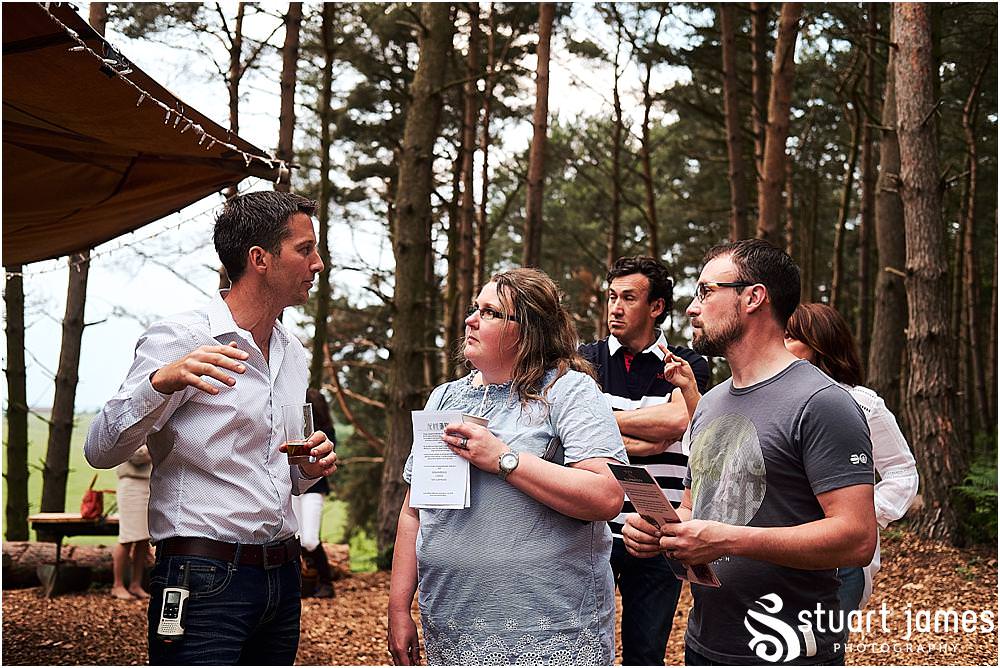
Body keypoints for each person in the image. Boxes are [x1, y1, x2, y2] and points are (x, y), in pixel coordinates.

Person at [84, 191, 339, 665]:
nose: (318, 263)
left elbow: (287, 473)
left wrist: (309, 465)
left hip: (282, 578)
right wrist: (160, 382)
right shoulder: (181, 338)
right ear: (259, 259)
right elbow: (100, 450)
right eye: (305, 249)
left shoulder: (293, 352)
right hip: (200, 578)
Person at [623, 239, 877, 665]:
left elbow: (857, 538)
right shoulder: (710, 403)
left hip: (790, 647)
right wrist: (659, 529)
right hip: (706, 643)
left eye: (706, 292)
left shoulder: (822, 402)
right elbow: (695, 507)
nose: (691, 307)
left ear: (753, 297)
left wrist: (729, 540)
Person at [387, 268, 628, 666]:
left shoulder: (569, 390)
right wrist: (399, 609)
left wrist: (503, 459)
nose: (471, 319)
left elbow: (605, 496)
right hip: (451, 626)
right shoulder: (444, 398)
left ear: (529, 330)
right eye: (474, 308)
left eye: (491, 312)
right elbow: (414, 512)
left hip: (547, 630)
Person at [578, 256, 710, 666]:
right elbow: (573, 435)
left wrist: (603, 427)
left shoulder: (688, 363)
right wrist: (646, 436)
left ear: (656, 307)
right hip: (589, 531)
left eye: (628, 298)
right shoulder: (584, 360)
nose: (615, 307)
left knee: (646, 653)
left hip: (656, 532)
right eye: (612, 297)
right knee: (580, 649)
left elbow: (678, 419)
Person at [784, 302, 919, 612]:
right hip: (777, 554)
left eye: (791, 337)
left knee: (821, 654)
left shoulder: (861, 403)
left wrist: (861, 513)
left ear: (821, 344)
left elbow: (902, 472)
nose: (780, 345)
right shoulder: (774, 403)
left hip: (840, 562)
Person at [292, 388, 337, 599]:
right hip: (293, 486)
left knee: (309, 539)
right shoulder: (294, 428)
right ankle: (305, 582)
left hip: (314, 488)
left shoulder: (326, 432)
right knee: (297, 536)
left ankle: (326, 582)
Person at [111, 445, 152, 600]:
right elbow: (136, 456)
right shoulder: (133, 431)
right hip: (131, 487)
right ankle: (117, 585)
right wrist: (155, 447)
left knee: (143, 539)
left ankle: (136, 584)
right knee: (127, 537)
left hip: (147, 485)